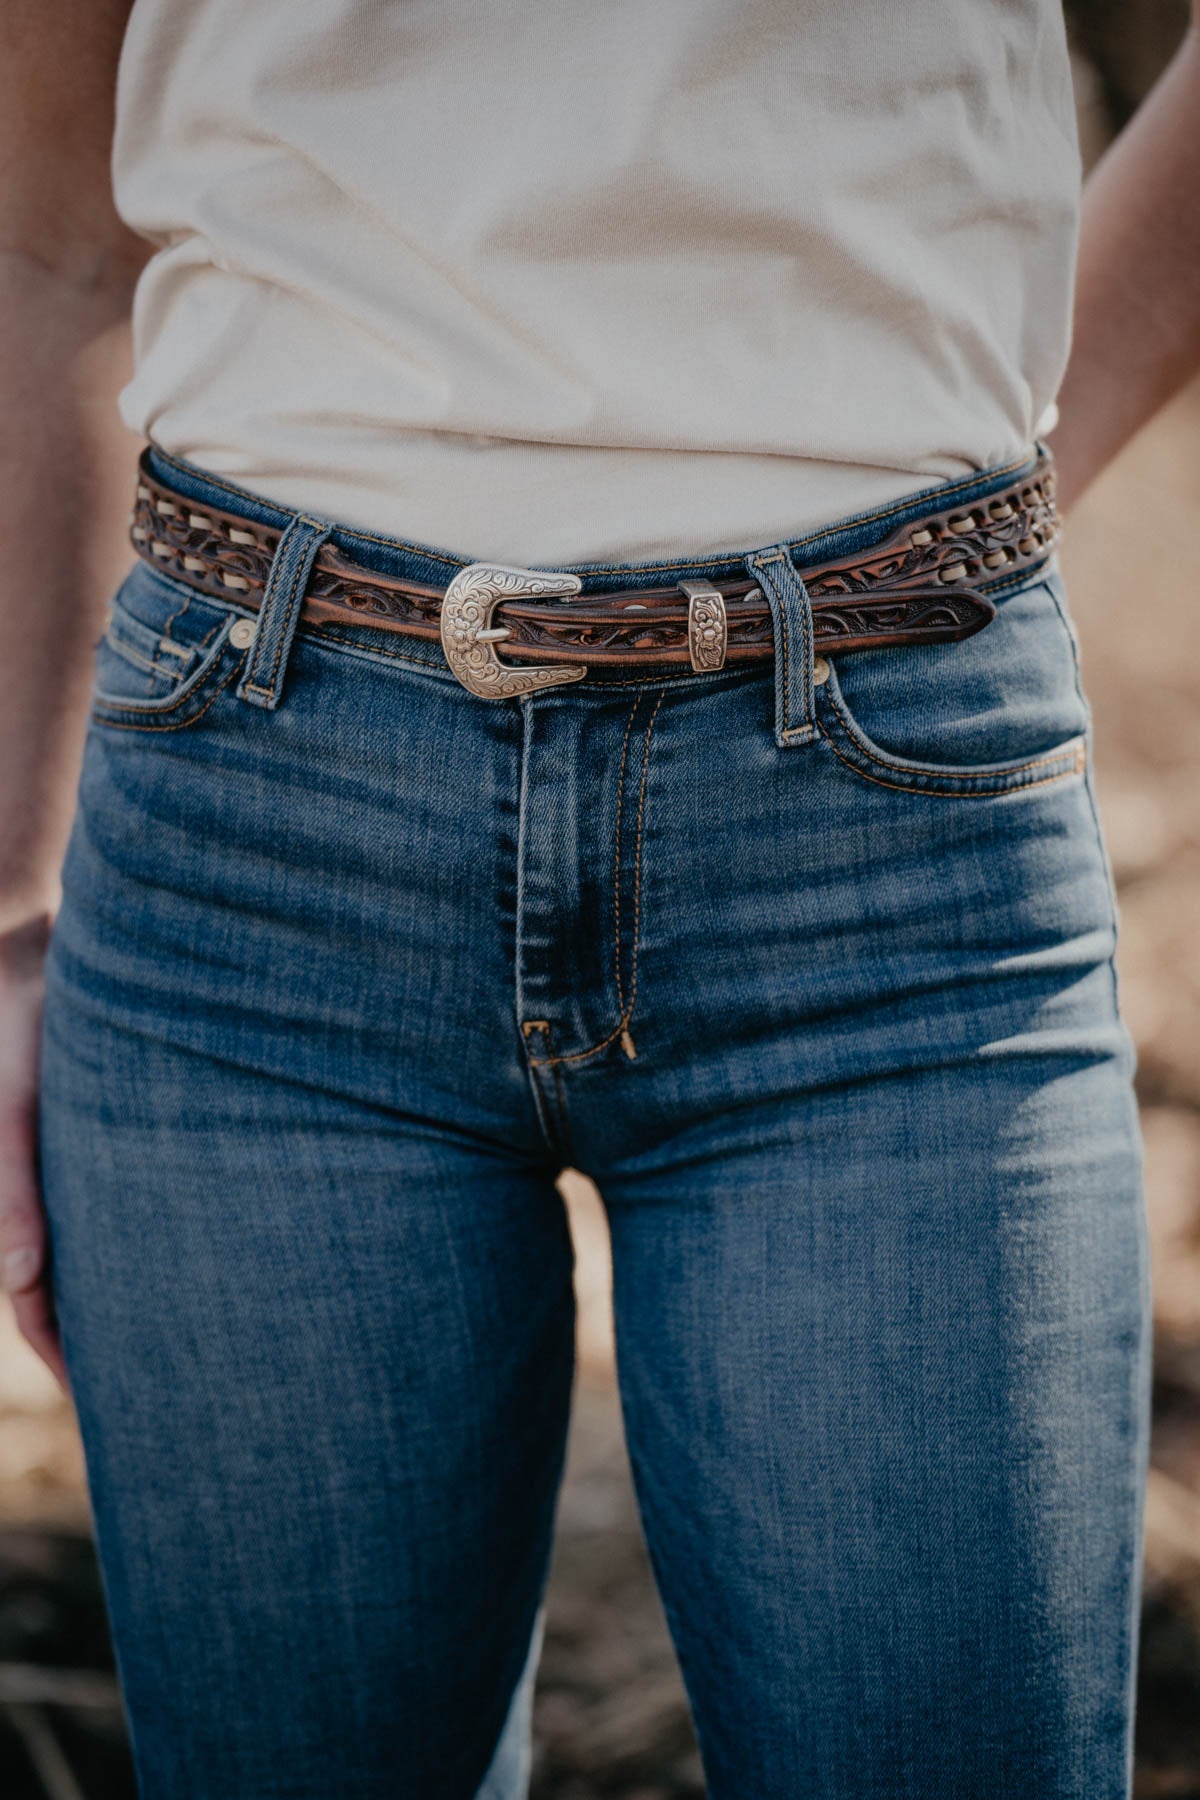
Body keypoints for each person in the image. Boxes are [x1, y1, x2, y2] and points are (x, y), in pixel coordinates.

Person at [2, 2, 1199, 1794]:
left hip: (884, 865)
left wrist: (963, 515)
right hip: (258, 846)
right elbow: (41, 236)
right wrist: (9, 903)